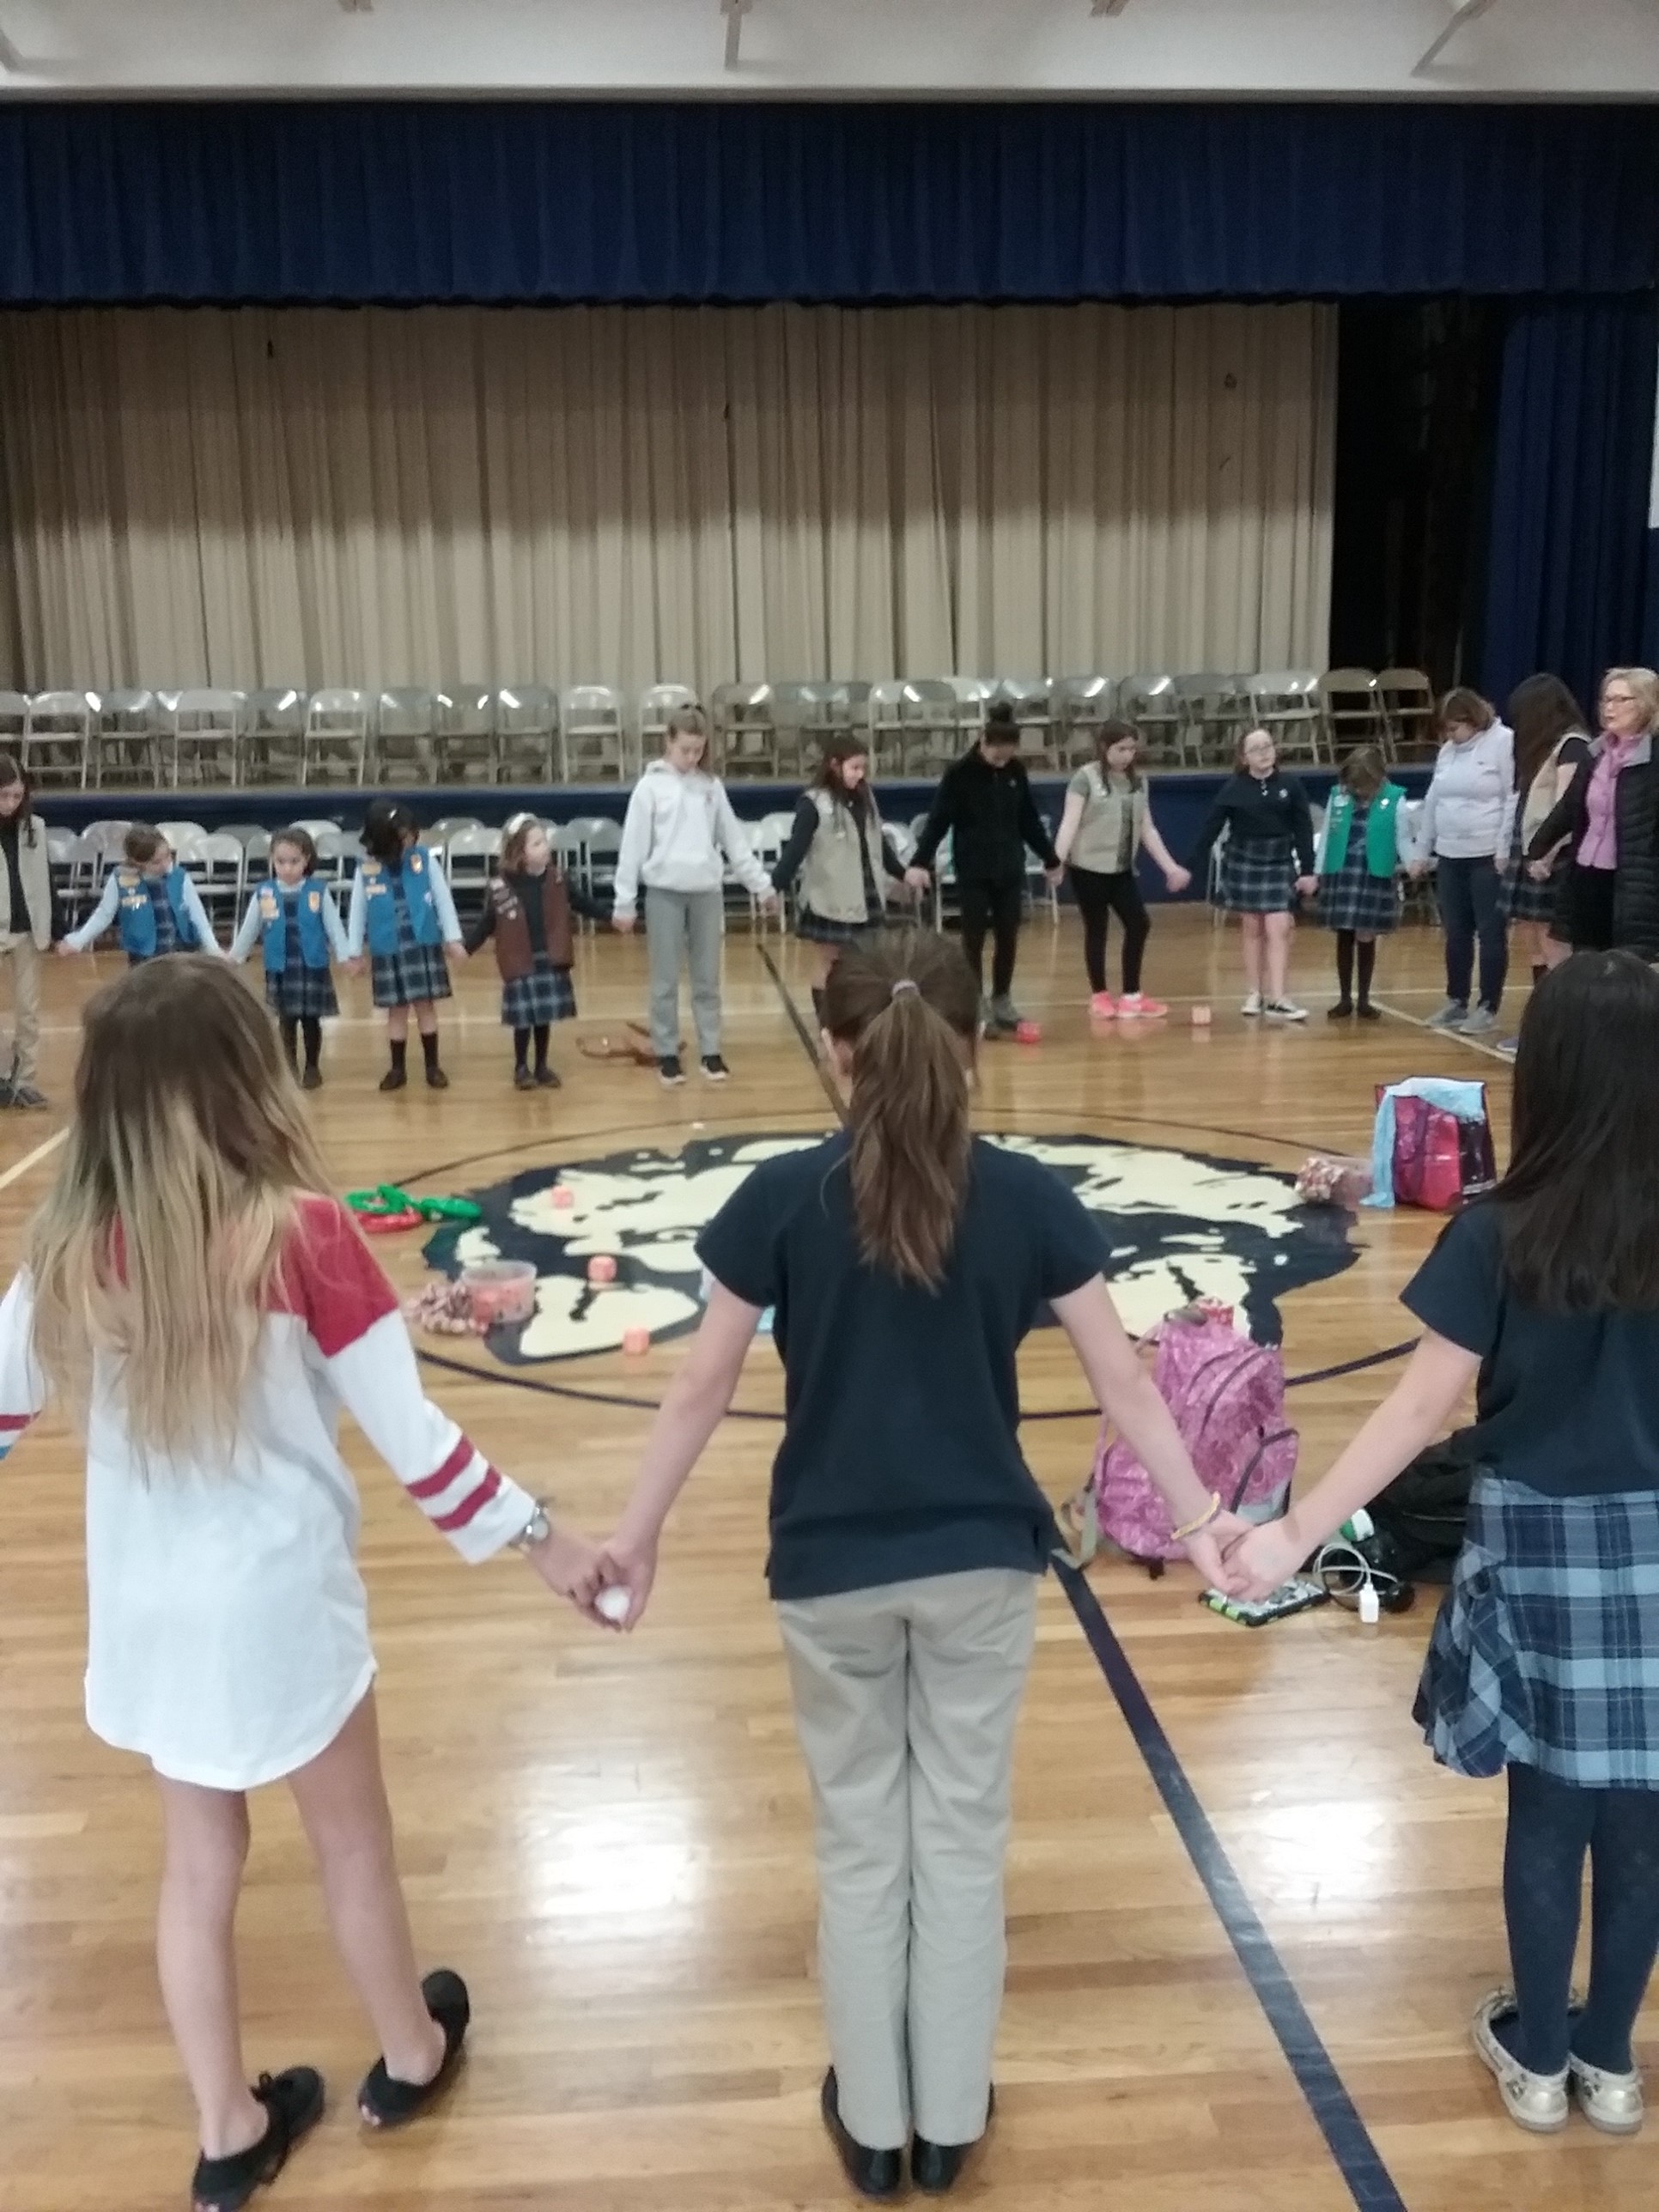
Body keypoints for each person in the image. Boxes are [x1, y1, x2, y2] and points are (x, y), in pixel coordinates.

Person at [580, 930, 1245, 2200]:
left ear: (838, 1053)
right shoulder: (1033, 1199)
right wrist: (1202, 1514)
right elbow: (1125, 1382)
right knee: (957, 1840)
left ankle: (875, 2127)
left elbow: (699, 1390)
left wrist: (636, 1534)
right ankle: (948, 2120)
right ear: (974, 1050)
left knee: (859, 1848)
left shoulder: (775, 1197)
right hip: (980, 1574)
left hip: (826, 1577)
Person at [0, 957, 596, 2209]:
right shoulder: (308, 1237)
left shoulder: (64, 1254)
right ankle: (408, 2052)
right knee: (349, 1845)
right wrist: (550, 1540)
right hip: (281, 1613)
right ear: (242, 1082)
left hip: (150, 1622)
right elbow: (425, 1457)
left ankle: (228, 2133)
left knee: (198, 1866)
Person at [1225, 952, 1659, 2142]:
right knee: (1645, 1822)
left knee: (1549, 1810)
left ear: (1551, 1078)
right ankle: (1613, 2063)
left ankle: (1538, 2061)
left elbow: (1418, 1412)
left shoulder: (1500, 1229)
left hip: (1536, 1548)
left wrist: (1295, 1534)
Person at [612, 706, 777, 1088]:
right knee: (665, 980)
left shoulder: (711, 788)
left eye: (698, 750)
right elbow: (632, 848)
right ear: (669, 742)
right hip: (664, 894)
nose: (692, 757)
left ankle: (711, 1050)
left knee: (707, 979)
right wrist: (624, 901)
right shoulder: (649, 788)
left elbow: (734, 843)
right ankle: (667, 1053)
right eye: (685, 749)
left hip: (707, 893)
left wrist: (763, 887)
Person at [906, 702, 1063, 1036]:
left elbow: (1028, 819)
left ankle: (1002, 998)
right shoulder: (959, 774)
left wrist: (1050, 858)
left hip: (1009, 866)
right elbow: (938, 821)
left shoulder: (1016, 773)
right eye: (997, 755)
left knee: (1008, 935)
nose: (1002, 761)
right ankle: (974, 1002)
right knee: (973, 938)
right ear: (983, 742)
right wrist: (920, 860)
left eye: (1008, 756)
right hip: (973, 869)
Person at [769, 732, 912, 1026]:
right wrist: (774, 886)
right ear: (834, 765)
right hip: (829, 897)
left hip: (865, 893)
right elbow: (796, 849)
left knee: (869, 962)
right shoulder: (813, 803)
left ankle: (859, 1017)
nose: (860, 776)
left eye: (863, 769)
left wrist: (902, 872)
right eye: (855, 768)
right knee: (829, 963)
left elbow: (879, 842)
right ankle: (827, 1023)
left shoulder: (866, 797)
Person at [1053, 720, 1190, 1020]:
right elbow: (1069, 822)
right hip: (1088, 868)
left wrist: (1170, 868)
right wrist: (1057, 861)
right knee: (1097, 929)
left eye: (1132, 749)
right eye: (1121, 748)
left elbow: (1147, 829)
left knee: (1139, 923)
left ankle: (1131, 995)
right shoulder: (1084, 779)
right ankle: (1100, 996)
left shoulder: (1138, 782)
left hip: (1121, 868)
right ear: (1105, 748)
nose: (1128, 755)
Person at [1524, 667, 1659, 965]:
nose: (1610, 708)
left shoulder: (1654, 758)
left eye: (1621, 699)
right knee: (1588, 963)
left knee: (1628, 967)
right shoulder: (1595, 752)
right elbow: (1571, 806)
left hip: (1634, 882)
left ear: (1647, 703)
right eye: (1606, 699)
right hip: (1587, 875)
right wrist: (1538, 848)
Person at [465, 812, 607, 1090]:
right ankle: (521, 1066)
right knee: (524, 1019)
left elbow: (580, 902)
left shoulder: (557, 878)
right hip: (521, 959)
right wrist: (467, 948)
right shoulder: (502, 885)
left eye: (545, 842)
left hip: (548, 956)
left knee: (543, 1018)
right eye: (537, 843)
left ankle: (541, 1065)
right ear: (520, 852)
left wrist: (609, 916)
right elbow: (488, 922)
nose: (546, 847)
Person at [1188, 728, 1317, 1021]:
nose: (1264, 752)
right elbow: (1211, 828)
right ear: (1243, 757)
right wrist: (1189, 865)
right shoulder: (1233, 788)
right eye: (1256, 748)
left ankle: (1280, 997)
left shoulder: (1291, 785)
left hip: (1279, 861)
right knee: (1252, 929)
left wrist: (1308, 871)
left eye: (1267, 746)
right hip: (1244, 860)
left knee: (1279, 927)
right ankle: (1254, 992)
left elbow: (1303, 829)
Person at [1408, 688, 1515, 1035]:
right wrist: (1422, 850)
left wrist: (1503, 848)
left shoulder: (1503, 742)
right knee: (1456, 932)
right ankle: (1456, 1000)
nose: (1450, 736)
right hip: (1450, 855)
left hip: (1486, 855)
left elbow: (1511, 797)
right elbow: (1434, 800)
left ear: (1472, 719)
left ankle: (1487, 1005)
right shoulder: (1447, 752)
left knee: (1490, 932)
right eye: (1446, 731)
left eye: (1454, 728)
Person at [344, 800, 465, 1094]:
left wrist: (453, 937)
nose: (412, 839)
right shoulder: (366, 869)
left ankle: (432, 1066)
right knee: (395, 1012)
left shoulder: (423, 859)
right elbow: (357, 910)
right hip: (388, 948)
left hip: (421, 944)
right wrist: (353, 952)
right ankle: (397, 1068)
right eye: (405, 835)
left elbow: (442, 898)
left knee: (426, 1007)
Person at [228, 827, 350, 1091]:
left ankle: (313, 1067)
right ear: (272, 861)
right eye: (280, 862)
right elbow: (249, 927)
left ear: (306, 860)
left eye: (294, 861)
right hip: (281, 966)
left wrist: (344, 955)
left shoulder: (318, 891)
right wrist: (235, 956)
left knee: (310, 1020)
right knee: (286, 1021)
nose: (287, 868)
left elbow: (333, 926)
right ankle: (290, 1068)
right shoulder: (264, 893)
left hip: (311, 965)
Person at [1498, 675, 1592, 986]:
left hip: (1554, 856)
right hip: (1529, 848)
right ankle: (1540, 1020)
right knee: (1533, 941)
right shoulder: (1540, 749)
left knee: (1553, 943)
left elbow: (1568, 810)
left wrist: (1547, 856)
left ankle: (1558, 1021)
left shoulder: (1573, 746)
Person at [1315, 744, 1407, 1022]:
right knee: (1344, 933)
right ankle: (1344, 998)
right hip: (1343, 872)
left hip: (1373, 873)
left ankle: (1365, 998)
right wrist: (1317, 872)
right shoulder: (1338, 797)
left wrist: (1414, 860)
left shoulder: (1395, 798)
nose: (1359, 792)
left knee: (1366, 935)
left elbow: (1402, 836)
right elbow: (1326, 837)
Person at [62, 824, 223, 968]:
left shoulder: (180, 877)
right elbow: (103, 914)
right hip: (143, 957)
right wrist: (77, 941)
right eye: (156, 862)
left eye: (168, 856)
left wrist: (214, 949)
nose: (166, 863)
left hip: (181, 952)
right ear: (137, 862)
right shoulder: (120, 880)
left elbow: (198, 916)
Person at [0, 754, 64, 1109]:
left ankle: (24, 1082)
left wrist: (56, 925)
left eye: (15, 795)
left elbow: (45, 877)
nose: (10, 803)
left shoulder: (34, 827)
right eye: (3, 795)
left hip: (27, 931)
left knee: (28, 1010)